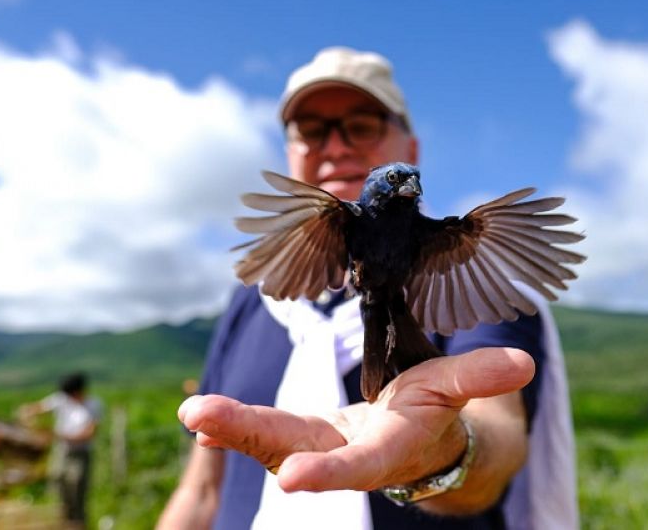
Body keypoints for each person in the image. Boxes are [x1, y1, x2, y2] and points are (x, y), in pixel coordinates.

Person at [158, 47, 578, 530]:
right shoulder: (256, 300)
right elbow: (202, 487)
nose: (336, 146)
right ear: (290, 153)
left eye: (363, 125)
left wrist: (441, 451)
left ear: (412, 150)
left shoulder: (485, 280)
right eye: (312, 131)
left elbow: (500, 436)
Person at [18, 372, 102, 530]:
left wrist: (56, 435)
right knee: (59, 486)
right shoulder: (61, 399)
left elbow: (88, 434)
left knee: (77, 490)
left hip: (80, 454)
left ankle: (78, 524)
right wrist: (28, 415)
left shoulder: (93, 405)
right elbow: (35, 408)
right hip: (61, 453)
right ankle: (65, 523)